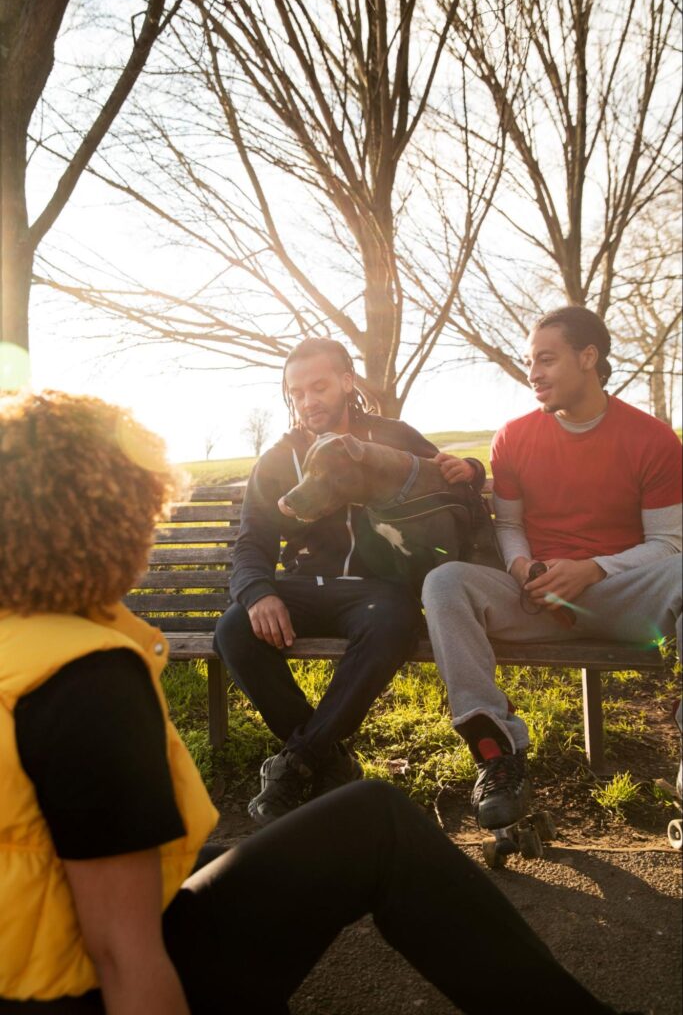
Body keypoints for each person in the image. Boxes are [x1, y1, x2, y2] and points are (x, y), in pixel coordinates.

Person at [0, 389, 636, 1015]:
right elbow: (122, 953)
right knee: (380, 823)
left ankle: (310, 759)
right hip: (65, 983)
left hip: (40, 919)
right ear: (111, 525)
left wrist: (468, 470)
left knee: (335, 824)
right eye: (147, 514)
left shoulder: (22, 644)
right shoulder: (83, 678)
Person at [422, 305, 683, 831]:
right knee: (445, 582)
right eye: (528, 362)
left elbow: (668, 543)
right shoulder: (513, 438)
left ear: (588, 358)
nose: (533, 374)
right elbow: (509, 524)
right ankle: (497, 756)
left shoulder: (653, 438)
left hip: (622, 598)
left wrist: (594, 569)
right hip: (536, 600)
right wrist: (521, 566)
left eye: (546, 359)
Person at [213, 337, 484, 826]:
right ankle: (324, 758)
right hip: (304, 587)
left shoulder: (393, 436)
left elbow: (447, 481)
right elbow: (252, 542)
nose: (307, 401)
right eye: (297, 392)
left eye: (318, 387)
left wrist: (473, 469)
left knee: (394, 624)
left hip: (377, 593)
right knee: (234, 629)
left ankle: (299, 761)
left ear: (346, 381)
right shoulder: (278, 459)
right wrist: (258, 593)